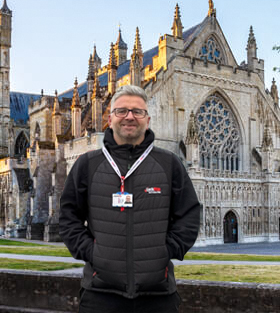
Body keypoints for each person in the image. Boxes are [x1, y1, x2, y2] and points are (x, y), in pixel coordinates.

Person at [60, 85, 200, 313]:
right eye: (122, 111)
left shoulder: (169, 163)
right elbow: (68, 218)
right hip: (100, 296)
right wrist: (93, 253)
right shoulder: (88, 164)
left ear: (148, 119)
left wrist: (165, 251)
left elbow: (190, 215)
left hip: (158, 296)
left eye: (138, 111)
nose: (130, 117)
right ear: (110, 117)